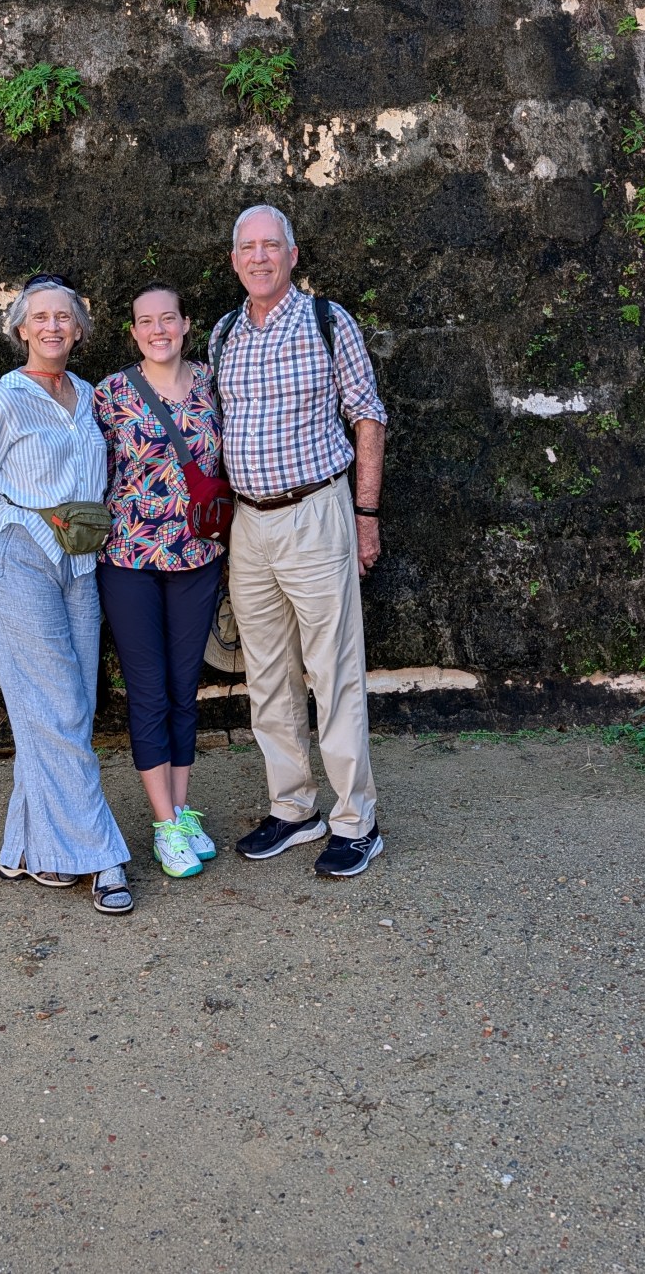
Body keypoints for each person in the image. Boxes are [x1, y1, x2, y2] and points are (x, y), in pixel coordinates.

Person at [0, 273, 133, 915]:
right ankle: (101, 857)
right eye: (41, 317)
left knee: (66, 706)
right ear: (22, 329)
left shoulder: (89, 397)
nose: (53, 326)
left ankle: (25, 845)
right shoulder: (2, 403)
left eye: (64, 317)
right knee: (57, 706)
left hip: (79, 558)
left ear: (79, 330)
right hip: (15, 555)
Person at [210, 206, 388, 878]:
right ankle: (293, 807)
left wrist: (365, 516)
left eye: (271, 245)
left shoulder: (326, 321)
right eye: (247, 247)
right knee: (266, 675)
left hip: (315, 513)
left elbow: (368, 417)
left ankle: (356, 821)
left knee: (333, 671)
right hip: (248, 523)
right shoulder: (224, 333)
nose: (259, 257)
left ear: (292, 254)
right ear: (234, 259)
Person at [94, 283, 225, 880]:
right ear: (133, 332)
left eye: (167, 318)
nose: (158, 330)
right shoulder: (110, 394)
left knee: (183, 688)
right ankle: (163, 822)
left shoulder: (213, 384)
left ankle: (182, 807)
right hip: (130, 561)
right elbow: (83, 465)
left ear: (186, 324)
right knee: (148, 690)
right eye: (145, 321)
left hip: (197, 556)